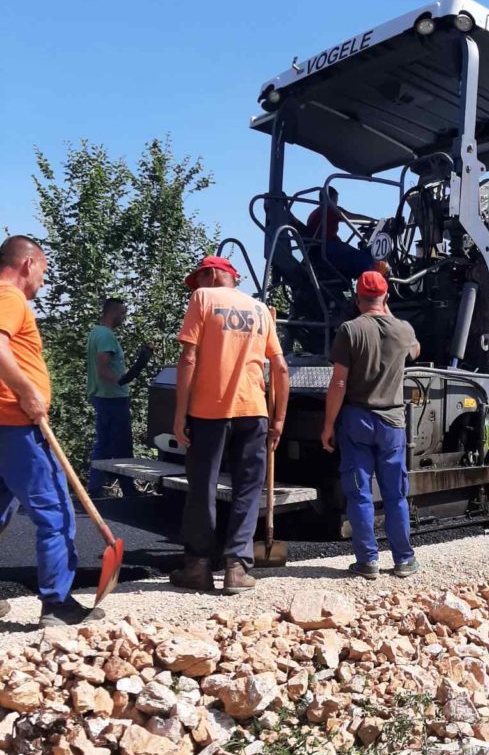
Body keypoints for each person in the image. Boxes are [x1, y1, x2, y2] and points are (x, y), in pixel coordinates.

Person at [171, 255, 290, 594]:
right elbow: (280, 369)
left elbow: (188, 357)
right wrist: (279, 418)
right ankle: (237, 569)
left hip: (209, 412)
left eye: (198, 279)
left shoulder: (203, 298)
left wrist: (180, 414)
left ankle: (198, 567)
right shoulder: (260, 310)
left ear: (212, 274)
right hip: (254, 412)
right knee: (248, 490)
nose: (196, 287)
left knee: (203, 489)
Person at [0, 235, 103, 627]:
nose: (43, 280)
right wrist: (28, 391)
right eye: (43, 270)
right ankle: (57, 603)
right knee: (56, 511)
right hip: (17, 426)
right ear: (28, 264)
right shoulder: (10, 298)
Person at [321, 270, 420, 579]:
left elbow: (338, 382)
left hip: (356, 420)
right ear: (386, 297)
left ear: (357, 298)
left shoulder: (350, 330)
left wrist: (328, 425)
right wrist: (387, 312)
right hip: (392, 423)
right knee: (395, 495)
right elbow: (415, 351)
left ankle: (368, 562)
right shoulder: (403, 330)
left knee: (360, 493)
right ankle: (403, 559)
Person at [86, 298, 153, 497]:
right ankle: (127, 490)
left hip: (103, 396)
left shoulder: (96, 332)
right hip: (112, 397)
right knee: (121, 444)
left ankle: (96, 489)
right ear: (113, 312)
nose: (124, 318)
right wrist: (122, 380)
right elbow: (103, 368)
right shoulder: (106, 336)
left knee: (105, 444)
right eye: (123, 313)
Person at [307, 186, 375, 281]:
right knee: (368, 261)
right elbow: (351, 217)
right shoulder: (329, 209)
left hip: (318, 250)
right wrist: (375, 222)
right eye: (336, 200)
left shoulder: (314, 213)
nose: (336, 203)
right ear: (332, 198)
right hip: (329, 249)